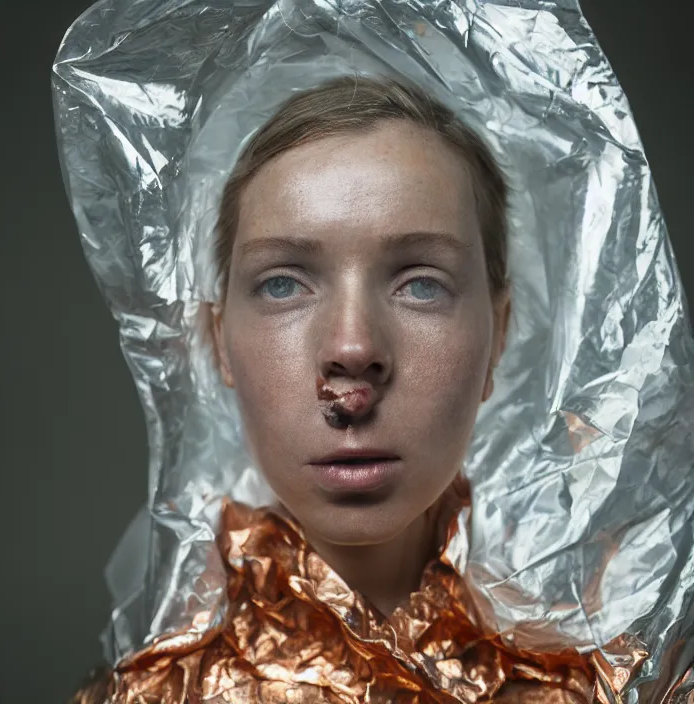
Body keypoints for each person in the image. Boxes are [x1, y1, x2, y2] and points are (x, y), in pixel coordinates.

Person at [72, 75, 648, 704]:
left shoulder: (611, 673)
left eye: (421, 284)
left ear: (499, 336)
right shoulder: (155, 689)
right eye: (283, 284)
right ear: (220, 344)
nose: (352, 350)